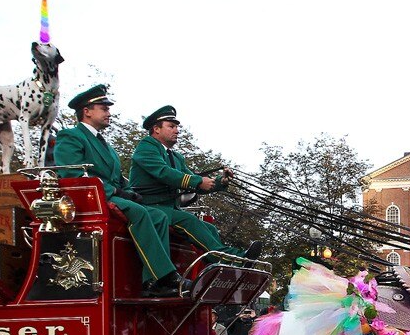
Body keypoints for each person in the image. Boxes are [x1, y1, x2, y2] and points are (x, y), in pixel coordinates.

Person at [54, 85, 188, 297]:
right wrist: (116, 191)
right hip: (90, 200)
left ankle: (151, 281)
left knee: (158, 216)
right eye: (104, 108)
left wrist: (129, 191)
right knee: (140, 213)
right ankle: (166, 276)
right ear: (87, 111)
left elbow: (116, 177)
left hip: (110, 195)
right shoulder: (70, 136)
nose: (109, 113)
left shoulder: (105, 145)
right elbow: (73, 174)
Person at [128, 106, 261, 261]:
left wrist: (221, 181)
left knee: (209, 228)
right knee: (190, 221)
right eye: (171, 126)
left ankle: (216, 266)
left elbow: (193, 181)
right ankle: (233, 258)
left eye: (177, 127)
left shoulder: (176, 157)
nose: (177, 130)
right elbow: (164, 173)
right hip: (149, 207)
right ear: (156, 129)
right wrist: (198, 181)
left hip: (169, 209)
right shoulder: (146, 146)